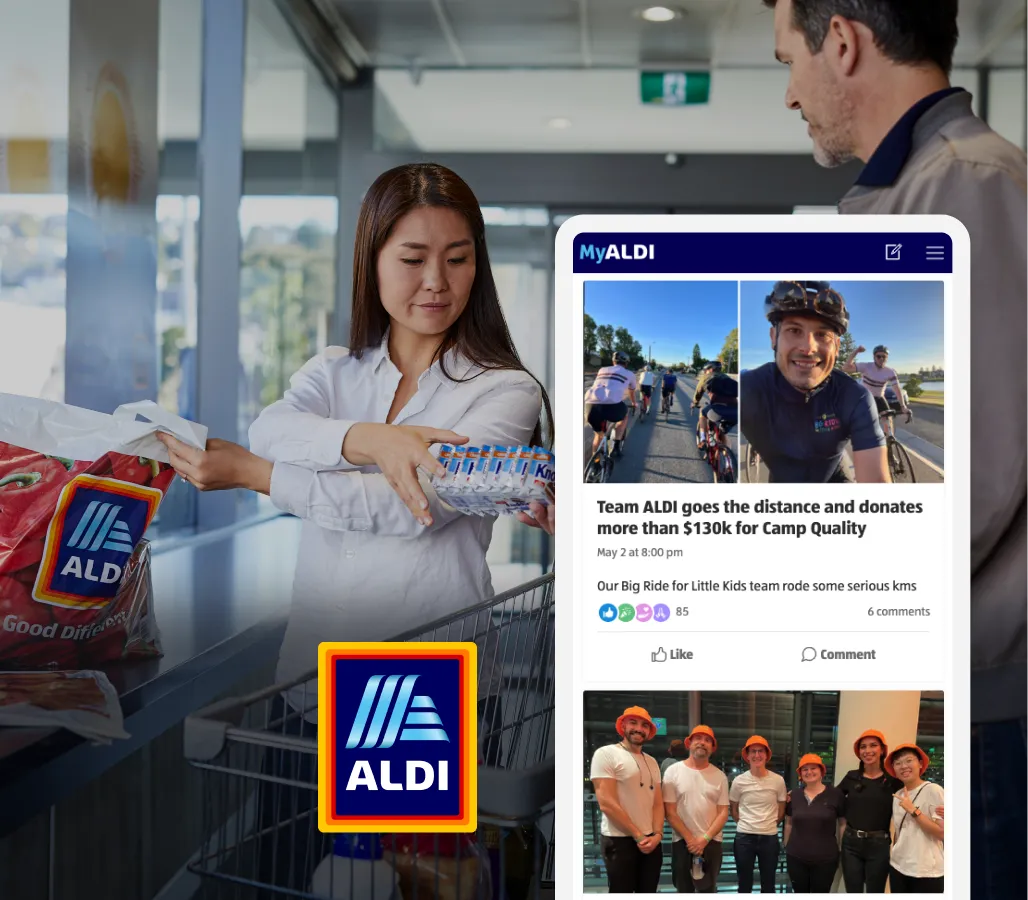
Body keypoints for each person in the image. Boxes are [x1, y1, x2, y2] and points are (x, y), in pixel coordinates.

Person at [762, 3, 1028, 886]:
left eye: (787, 60)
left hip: (993, 695)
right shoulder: (919, 187)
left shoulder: (966, 186)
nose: (789, 94)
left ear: (840, 43)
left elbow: (982, 473)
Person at [157, 161, 551, 739]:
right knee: (293, 832)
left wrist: (260, 476)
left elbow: (413, 508)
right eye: (413, 259)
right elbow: (271, 429)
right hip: (309, 682)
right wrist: (371, 439)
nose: (437, 280)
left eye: (458, 258)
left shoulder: (506, 390)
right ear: (373, 261)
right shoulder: (336, 370)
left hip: (428, 691)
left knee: (419, 836)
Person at [739, 281, 889, 483]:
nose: (808, 348)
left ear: (836, 346)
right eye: (794, 330)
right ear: (774, 337)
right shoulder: (749, 389)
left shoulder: (854, 397)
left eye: (822, 334)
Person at [589, 707, 665, 893]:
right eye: (633, 722)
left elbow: (657, 802)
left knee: (648, 891)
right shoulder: (606, 754)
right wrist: (638, 835)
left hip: (651, 840)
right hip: (619, 839)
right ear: (623, 725)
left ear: (649, 731)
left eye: (644, 725)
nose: (639, 728)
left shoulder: (652, 761)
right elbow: (606, 802)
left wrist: (658, 835)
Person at [662, 725, 730, 893]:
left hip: (712, 841)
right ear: (689, 743)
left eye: (707, 740)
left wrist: (704, 839)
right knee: (683, 889)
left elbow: (723, 812)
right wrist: (691, 840)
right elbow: (669, 812)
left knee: (708, 888)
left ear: (712, 748)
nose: (702, 743)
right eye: (698, 739)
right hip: (682, 841)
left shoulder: (719, 776)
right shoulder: (673, 772)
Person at [836, 729, 903, 893]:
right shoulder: (851, 777)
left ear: (882, 750)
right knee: (853, 891)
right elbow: (832, 800)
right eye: (863, 747)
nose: (868, 751)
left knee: (876, 891)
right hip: (851, 844)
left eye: (873, 745)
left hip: (879, 845)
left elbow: (912, 800)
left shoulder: (893, 782)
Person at [729, 736, 787, 893]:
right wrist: (746, 823)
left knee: (768, 884)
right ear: (747, 756)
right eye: (753, 751)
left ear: (767, 755)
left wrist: (768, 824)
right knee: (744, 883)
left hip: (769, 837)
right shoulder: (738, 781)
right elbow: (734, 809)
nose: (757, 755)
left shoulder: (778, 780)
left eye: (760, 751)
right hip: (744, 838)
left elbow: (781, 809)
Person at [885, 743, 944, 893]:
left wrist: (914, 811)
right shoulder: (897, 795)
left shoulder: (933, 790)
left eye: (909, 760)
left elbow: (942, 833)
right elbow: (899, 831)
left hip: (926, 870)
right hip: (898, 866)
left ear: (920, 764)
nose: (903, 766)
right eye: (898, 763)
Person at [783, 753, 846, 893]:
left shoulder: (835, 795)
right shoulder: (794, 796)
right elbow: (788, 823)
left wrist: (842, 849)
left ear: (821, 771)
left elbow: (842, 823)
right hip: (796, 857)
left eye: (813, 768)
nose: (809, 772)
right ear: (800, 773)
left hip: (826, 859)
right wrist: (787, 846)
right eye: (805, 769)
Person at [842, 344, 910, 437]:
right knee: (865, 423)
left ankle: (890, 440)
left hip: (879, 397)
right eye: (879, 356)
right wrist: (856, 351)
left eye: (884, 357)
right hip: (865, 397)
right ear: (874, 357)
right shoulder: (866, 366)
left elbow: (897, 389)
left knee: (888, 419)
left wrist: (903, 406)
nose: (881, 359)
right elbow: (846, 368)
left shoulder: (890, 372)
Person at [584, 351, 638, 457]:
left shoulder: (602, 370)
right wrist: (634, 403)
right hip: (612, 406)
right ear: (626, 363)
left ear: (613, 361)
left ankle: (595, 465)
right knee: (624, 417)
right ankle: (616, 448)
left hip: (590, 406)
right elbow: (631, 391)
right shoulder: (630, 374)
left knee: (598, 436)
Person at [690, 360, 738, 450]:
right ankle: (729, 461)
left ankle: (703, 440)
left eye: (706, 370)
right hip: (736, 412)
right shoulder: (728, 378)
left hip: (717, 410)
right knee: (722, 433)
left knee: (703, 413)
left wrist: (695, 403)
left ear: (711, 369)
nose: (705, 372)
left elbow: (698, 393)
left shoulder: (706, 377)